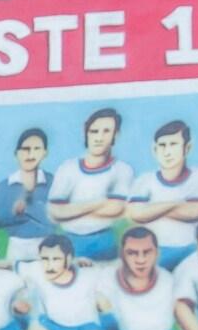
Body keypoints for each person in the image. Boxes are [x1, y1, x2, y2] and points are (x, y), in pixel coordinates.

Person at [115, 121, 198, 269]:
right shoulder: (144, 180)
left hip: (191, 251)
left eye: (173, 144)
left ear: (187, 148)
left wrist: (152, 209)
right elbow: (136, 214)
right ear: (154, 149)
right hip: (153, 254)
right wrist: (177, 203)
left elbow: (195, 212)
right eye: (162, 146)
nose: (167, 152)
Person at [47, 108, 134, 263]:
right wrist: (100, 203)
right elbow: (56, 212)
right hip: (70, 243)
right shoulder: (67, 168)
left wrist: (72, 209)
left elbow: (115, 209)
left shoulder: (122, 169)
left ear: (116, 134)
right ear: (86, 132)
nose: (99, 137)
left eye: (106, 131)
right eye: (94, 131)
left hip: (104, 241)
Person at [0, 127, 56, 264]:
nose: (30, 154)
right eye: (25, 149)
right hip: (17, 246)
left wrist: (29, 211)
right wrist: (14, 212)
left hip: (47, 247)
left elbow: (57, 216)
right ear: (16, 153)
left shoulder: (53, 183)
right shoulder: (5, 186)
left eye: (36, 149)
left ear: (45, 153)